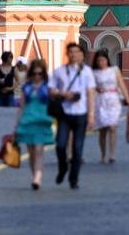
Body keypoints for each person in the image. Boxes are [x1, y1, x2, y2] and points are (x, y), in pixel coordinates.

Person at [48, 43, 96, 189]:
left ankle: (73, 179)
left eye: (76, 52)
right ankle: (63, 166)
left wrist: (91, 115)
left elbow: (90, 93)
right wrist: (63, 94)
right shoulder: (59, 71)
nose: (73, 54)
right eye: (71, 52)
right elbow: (51, 90)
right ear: (67, 54)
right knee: (60, 144)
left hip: (81, 113)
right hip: (64, 112)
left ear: (81, 55)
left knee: (77, 148)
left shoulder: (87, 71)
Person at [14, 59, 55, 189]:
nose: (37, 76)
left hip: (42, 121)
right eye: (34, 73)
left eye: (40, 74)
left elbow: (54, 104)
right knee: (31, 152)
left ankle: (38, 176)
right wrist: (16, 124)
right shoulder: (27, 88)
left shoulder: (48, 87)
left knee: (38, 151)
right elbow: (22, 107)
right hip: (28, 121)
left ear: (43, 74)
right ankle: (34, 175)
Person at [92, 50, 129, 164]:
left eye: (103, 60)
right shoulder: (94, 73)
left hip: (113, 100)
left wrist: (128, 99)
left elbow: (121, 85)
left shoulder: (114, 70)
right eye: (99, 61)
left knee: (112, 127)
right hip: (101, 101)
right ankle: (103, 154)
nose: (101, 63)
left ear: (107, 60)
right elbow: (91, 88)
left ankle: (112, 154)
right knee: (103, 130)